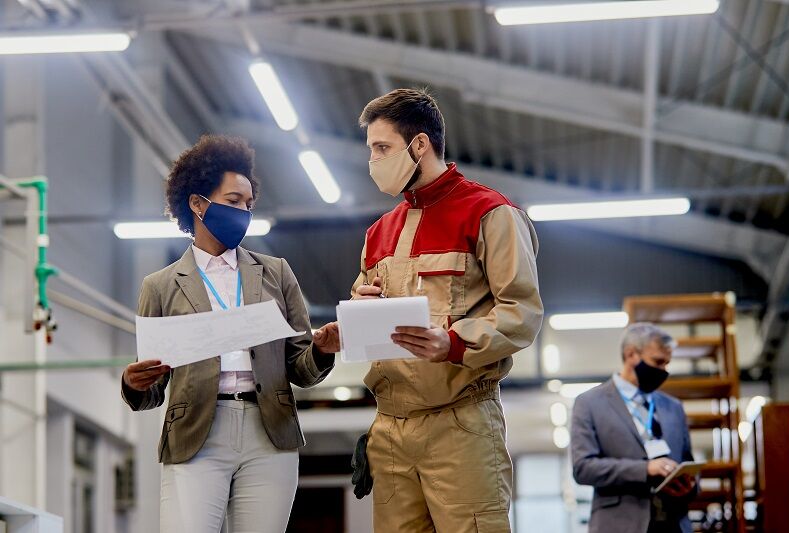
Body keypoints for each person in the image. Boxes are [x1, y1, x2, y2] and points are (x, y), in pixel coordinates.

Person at [120, 134, 340, 533]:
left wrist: (322, 351)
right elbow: (153, 387)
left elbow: (302, 369)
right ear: (198, 204)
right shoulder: (161, 286)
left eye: (249, 204)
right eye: (233, 201)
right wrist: (134, 383)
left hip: (268, 430)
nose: (244, 211)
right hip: (196, 432)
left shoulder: (276, 273)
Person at [348, 88, 544, 532]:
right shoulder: (379, 232)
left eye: (383, 148)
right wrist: (361, 306)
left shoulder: (490, 213)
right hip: (390, 430)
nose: (374, 162)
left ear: (420, 145)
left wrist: (454, 343)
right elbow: (362, 308)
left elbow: (522, 310)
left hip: (461, 423)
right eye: (371, 151)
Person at [570, 322, 697, 533]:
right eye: (657, 362)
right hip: (619, 524)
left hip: (674, 524)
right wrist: (645, 469)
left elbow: (687, 461)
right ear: (631, 355)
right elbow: (583, 468)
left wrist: (690, 486)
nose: (663, 371)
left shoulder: (673, 407)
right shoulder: (590, 403)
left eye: (667, 363)